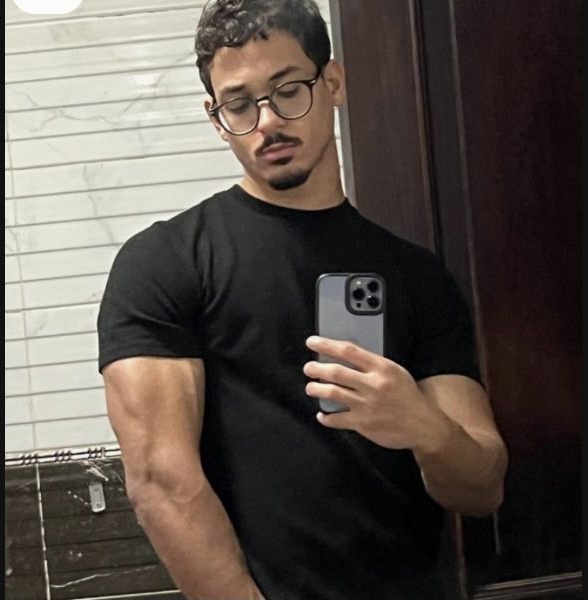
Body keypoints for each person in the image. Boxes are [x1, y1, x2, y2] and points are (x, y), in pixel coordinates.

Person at [97, 1, 508, 598]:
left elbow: (482, 489)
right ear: (216, 118)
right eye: (239, 104)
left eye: (288, 90)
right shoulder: (165, 262)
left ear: (333, 82)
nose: (267, 121)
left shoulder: (417, 277)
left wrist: (424, 427)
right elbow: (160, 481)